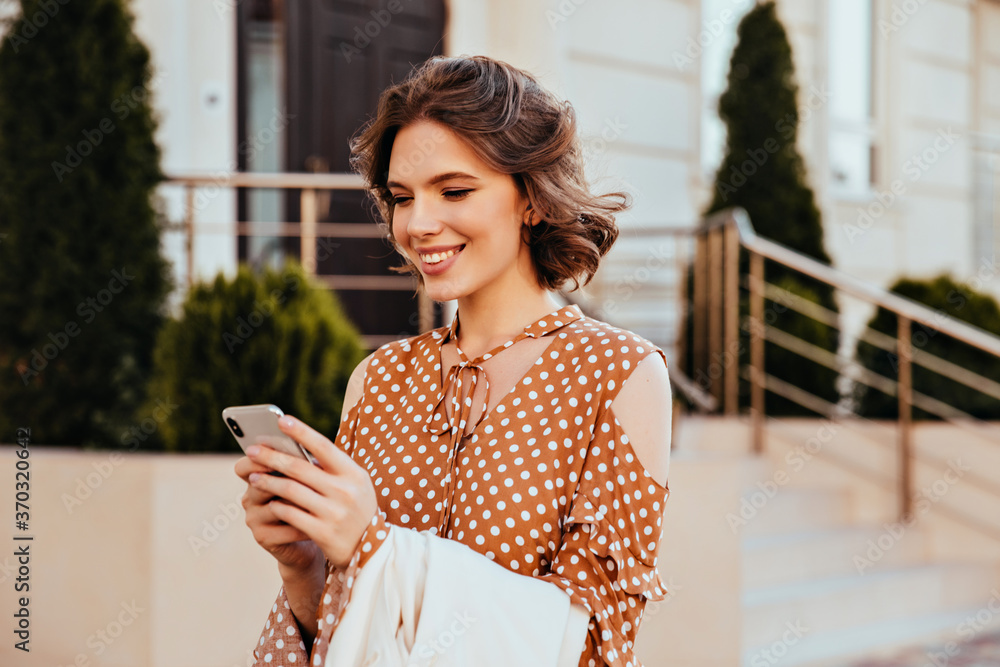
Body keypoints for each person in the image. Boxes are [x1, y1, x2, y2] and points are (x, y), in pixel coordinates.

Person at [235, 54, 672, 667]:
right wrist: (305, 569)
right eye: (401, 197)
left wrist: (376, 548)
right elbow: (346, 632)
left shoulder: (620, 375)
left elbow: (593, 640)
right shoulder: (379, 378)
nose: (418, 224)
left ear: (533, 198)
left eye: (454, 190)